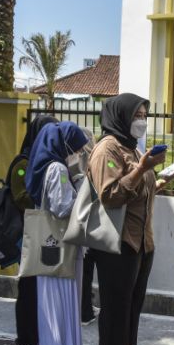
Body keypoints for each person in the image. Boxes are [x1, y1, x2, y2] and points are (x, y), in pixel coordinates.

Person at [88, 93, 174, 345]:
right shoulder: (107, 150)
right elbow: (111, 196)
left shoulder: (131, 147)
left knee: (132, 301)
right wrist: (143, 168)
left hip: (141, 240)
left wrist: (161, 178)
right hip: (119, 241)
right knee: (115, 304)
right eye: (137, 115)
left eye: (144, 115)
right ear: (121, 116)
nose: (142, 120)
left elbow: (139, 191)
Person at [25, 121, 88, 345]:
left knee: (53, 306)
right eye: (76, 145)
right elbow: (63, 208)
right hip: (62, 247)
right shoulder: (58, 168)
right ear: (65, 144)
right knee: (61, 305)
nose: (79, 151)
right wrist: (81, 184)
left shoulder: (43, 164)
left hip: (50, 247)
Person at [10, 115, 59, 345]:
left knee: (41, 290)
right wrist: (46, 195)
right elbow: (21, 197)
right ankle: (24, 341)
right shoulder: (24, 162)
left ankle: (38, 337)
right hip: (27, 233)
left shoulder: (49, 162)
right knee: (28, 289)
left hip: (42, 232)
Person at [71, 126, 100, 326]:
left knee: (85, 268)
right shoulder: (92, 159)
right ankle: (85, 310)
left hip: (85, 220)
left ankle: (85, 307)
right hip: (90, 220)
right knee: (87, 268)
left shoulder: (74, 158)